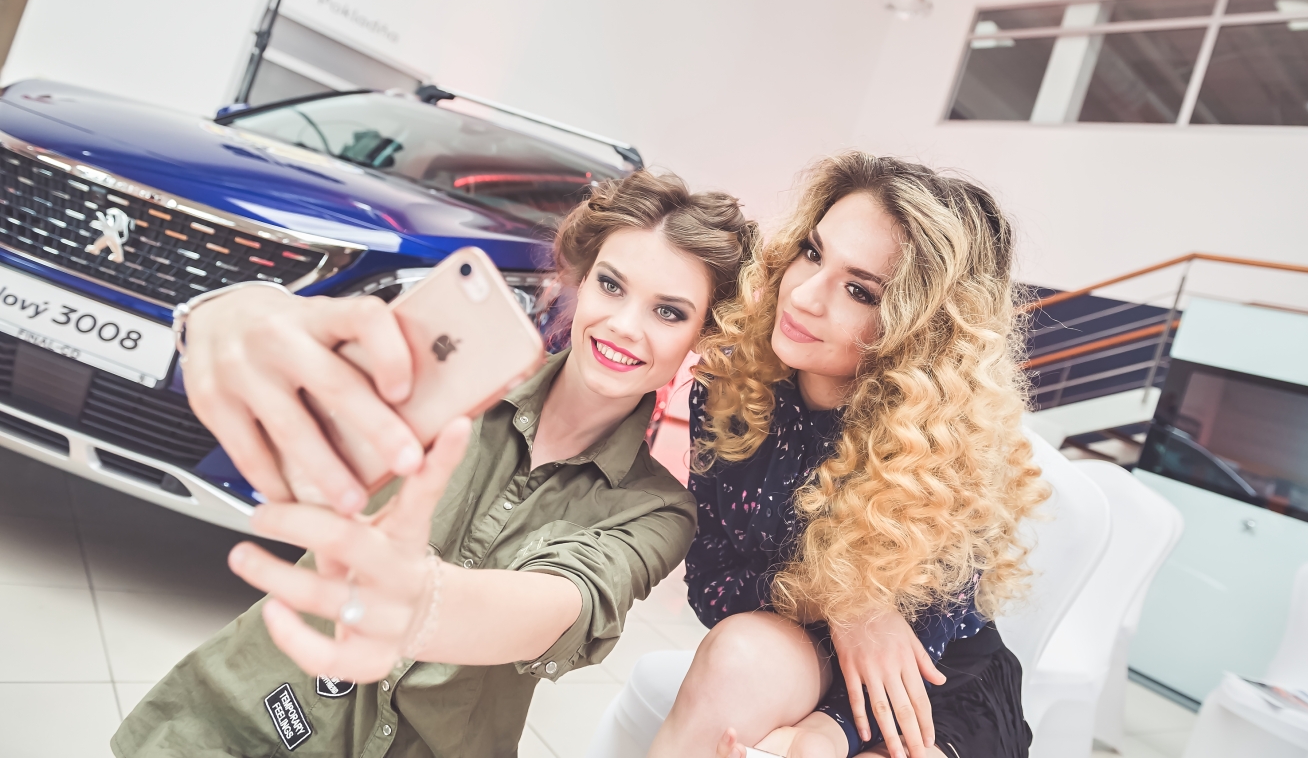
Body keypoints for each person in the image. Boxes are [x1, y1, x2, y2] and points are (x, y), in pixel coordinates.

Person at [111, 171, 756, 758]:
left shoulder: (659, 510)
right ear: (581, 282)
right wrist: (228, 313)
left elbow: (564, 602)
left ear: (702, 338)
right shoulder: (450, 377)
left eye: (668, 312)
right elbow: (310, 384)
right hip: (239, 723)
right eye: (611, 285)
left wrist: (424, 605)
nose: (625, 326)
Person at [647, 153, 1049, 758]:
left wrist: (825, 733)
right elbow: (712, 588)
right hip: (799, 648)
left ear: (919, 330)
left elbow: (930, 636)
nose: (805, 296)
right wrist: (844, 603)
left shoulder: (943, 444)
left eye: (859, 290)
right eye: (812, 253)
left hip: (933, 680)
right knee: (737, 656)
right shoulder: (734, 388)